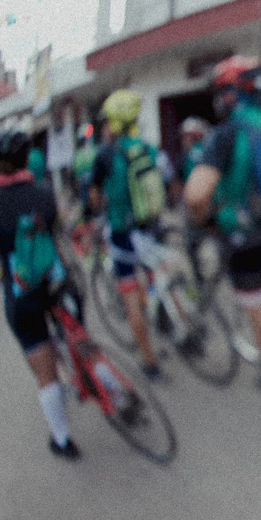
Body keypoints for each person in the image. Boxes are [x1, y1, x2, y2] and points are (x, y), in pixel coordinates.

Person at [185, 55, 261, 397]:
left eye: (220, 91)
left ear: (231, 93)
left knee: (255, 302)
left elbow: (195, 193)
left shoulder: (226, 133)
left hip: (242, 235)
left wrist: (204, 219)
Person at [0, 132, 81, 460]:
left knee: (45, 373)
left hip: (23, 299)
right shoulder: (46, 193)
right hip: (59, 286)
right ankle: (105, 386)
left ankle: (63, 440)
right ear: (26, 160)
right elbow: (62, 237)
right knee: (79, 340)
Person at [89, 89, 163, 380]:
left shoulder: (105, 155)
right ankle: (177, 321)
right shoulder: (146, 147)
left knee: (131, 297)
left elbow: (94, 197)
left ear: (114, 123)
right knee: (157, 277)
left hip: (122, 234)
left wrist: (101, 204)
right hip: (150, 227)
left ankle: (150, 363)